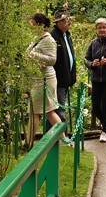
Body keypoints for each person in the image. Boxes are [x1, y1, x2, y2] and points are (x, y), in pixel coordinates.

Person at [26, 13, 72, 144]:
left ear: (41, 25)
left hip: (44, 80)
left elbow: (52, 60)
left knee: (34, 112)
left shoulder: (48, 39)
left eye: (33, 25)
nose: (31, 28)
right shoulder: (38, 38)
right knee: (50, 112)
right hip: (39, 79)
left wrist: (33, 56)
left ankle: (29, 143)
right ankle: (64, 138)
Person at [84, 17, 106, 142]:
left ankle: (104, 131)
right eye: (99, 28)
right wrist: (92, 64)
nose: (102, 30)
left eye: (104, 27)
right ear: (96, 29)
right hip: (96, 79)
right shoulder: (93, 43)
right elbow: (86, 59)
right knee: (96, 106)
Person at [50, 7, 77, 126]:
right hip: (59, 80)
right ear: (59, 22)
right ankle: (62, 137)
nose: (70, 22)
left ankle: (53, 136)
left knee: (56, 110)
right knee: (59, 110)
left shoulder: (66, 35)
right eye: (67, 20)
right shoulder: (53, 36)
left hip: (66, 79)